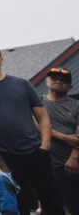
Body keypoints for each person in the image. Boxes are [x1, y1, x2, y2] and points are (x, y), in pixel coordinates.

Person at [0, 42, 64, 214]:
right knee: (18, 206)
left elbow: (43, 118)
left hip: (36, 152)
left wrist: (45, 148)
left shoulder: (23, 84)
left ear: (1, 59)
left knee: (52, 201)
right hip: (3, 157)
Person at [43, 67, 79, 213]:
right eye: (54, 78)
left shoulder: (76, 105)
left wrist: (74, 157)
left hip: (74, 162)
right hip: (52, 166)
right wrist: (64, 137)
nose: (58, 81)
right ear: (47, 81)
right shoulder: (38, 104)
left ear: (70, 87)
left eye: (64, 80)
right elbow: (37, 127)